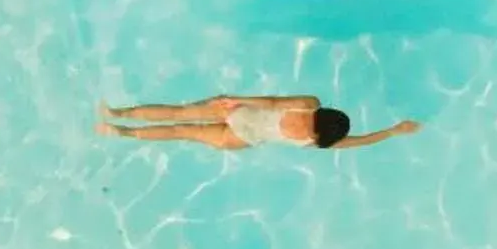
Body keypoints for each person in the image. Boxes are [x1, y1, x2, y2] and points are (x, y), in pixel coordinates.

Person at [98, 94, 418, 152]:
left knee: (178, 114)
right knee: (182, 132)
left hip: (244, 115)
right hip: (242, 139)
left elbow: (272, 102)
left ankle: (119, 113)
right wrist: (392, 132)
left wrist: (236, 98)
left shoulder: (309, 105)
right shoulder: (319, 142)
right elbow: (362, 141)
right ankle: (122, 133)